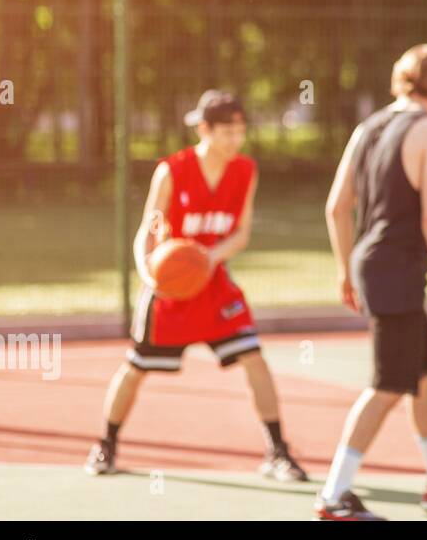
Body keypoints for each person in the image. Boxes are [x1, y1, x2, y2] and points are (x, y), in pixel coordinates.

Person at [314, 44, 427, 520]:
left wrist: (343, 268)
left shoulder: (367, 128)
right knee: (388, 385)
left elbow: (337, 207)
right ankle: (335, 494)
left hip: (371, 264)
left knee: (424, 377)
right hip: (396, 271)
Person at [84, 90, 307, 481]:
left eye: (240, 131)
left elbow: (241, 234)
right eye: (227, 132)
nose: (235, 140)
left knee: (254, 357)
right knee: (136, 367)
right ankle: (106, 445)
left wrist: (207, 259)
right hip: (170, 288)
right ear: (204, 129)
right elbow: (147, 232)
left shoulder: (244, 171)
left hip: (213, 282)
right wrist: (149, 270)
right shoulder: (172, 170)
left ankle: (278, 451)